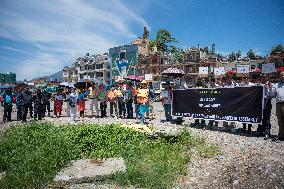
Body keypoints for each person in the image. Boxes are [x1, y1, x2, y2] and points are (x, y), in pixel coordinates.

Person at [272, 72, 284, 141]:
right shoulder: (276, 85)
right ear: (279, 77)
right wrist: (270, 88)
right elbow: (273, 95)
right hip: (278, 104)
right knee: (280, 121)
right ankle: (281, 135)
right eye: (281, 75)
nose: (282, 76)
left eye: (283, 75)